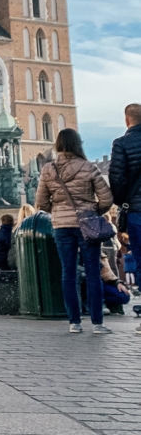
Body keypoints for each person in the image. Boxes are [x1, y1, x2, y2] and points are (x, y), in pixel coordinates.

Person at [36, 127, 114, 335]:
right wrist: (92, 211)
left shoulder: (48, 169)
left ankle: (74, 322)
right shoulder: (88, 167)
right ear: (78, 144)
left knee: (68, 273)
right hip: (86, 225)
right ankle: (97, 323)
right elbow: (106, 199)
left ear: (58, 145)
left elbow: (41, 202)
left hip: (62, 226)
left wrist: (59, 212)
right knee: (92, 273)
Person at [109, 103, 141, 334]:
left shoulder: (122, 143)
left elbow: (117, 179)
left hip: (138, 211)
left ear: (127, 120)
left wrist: (122, 203)